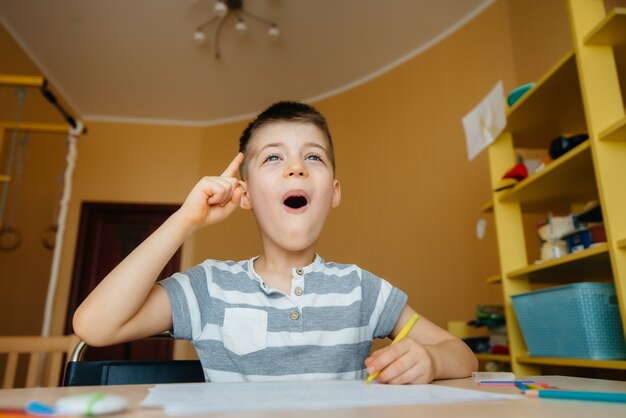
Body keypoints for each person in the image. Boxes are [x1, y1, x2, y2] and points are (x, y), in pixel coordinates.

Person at [73, 101, 477, 384]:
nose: (296, 168)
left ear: (333, 192)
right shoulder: (209, 289)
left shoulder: (362, 290)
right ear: (244, 194)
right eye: (273, 158)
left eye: (313, 157)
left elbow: (462, 355)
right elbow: (95, 326)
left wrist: (430, 359)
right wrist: (184, 221)